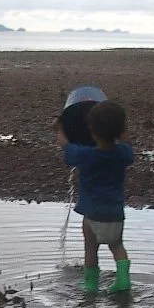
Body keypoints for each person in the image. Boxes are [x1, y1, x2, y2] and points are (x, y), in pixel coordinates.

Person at [56, 100, 133, 293]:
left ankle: (90, 285)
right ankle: (123, 281)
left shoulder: (85, 155)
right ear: (120, 131)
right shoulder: (123, 153)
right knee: (117, 246)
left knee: (91, 248)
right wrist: (122, 132)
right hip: (115, 212)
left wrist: (59, 128)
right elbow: (127, 144)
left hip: (91, 214)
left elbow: (65, 145)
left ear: (91, 129)